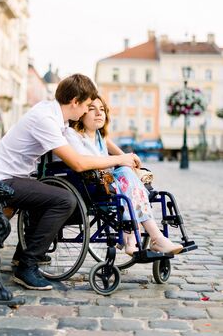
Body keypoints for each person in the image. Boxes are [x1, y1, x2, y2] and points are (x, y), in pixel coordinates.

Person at [0, 74, 141, 291]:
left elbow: (97, 135)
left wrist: (126, 157)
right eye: (86, 105)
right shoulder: (46, 119)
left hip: (15, 178)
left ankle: (22, 254)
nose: (86, 111)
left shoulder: (56, 115)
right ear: (74, 101)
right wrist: (121, 160)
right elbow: (78, 163)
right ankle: (27, 267)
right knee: (64, 200)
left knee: (72, 202)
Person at [64, 95, 183, 256]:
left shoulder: (101, 137)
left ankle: (137, 238)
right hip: (90, 185)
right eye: (92, 109)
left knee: (127, 175)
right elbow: (85, 162)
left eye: (102, 110)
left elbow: (122, 156)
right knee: (125, 176)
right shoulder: (73, 135)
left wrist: (132, 163)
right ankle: (153, 238)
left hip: (110, 183)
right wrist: (123, 162)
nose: (99, 113)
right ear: (82, 112)